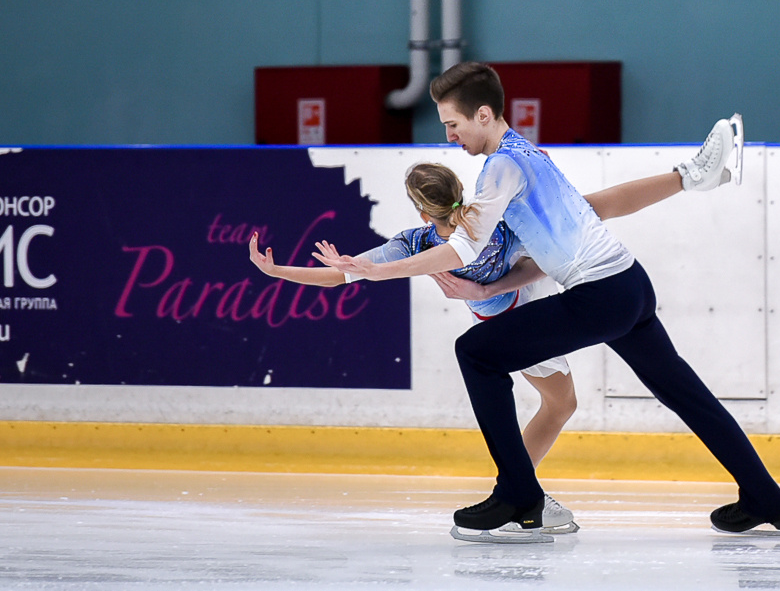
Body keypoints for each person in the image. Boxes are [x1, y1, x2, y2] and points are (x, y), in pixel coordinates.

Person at [313, 61, 780, 539]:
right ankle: (767, 499)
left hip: (601, 296)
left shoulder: (501, 167)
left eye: (453, 124)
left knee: (476, 353)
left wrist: (378, 271)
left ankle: (519, 496)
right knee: (685, 395)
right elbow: (596, 208)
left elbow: (464, 247)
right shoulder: (530, 154)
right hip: (629, 284)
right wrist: (685, 178)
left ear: (484, 115)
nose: (450, 137)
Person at [250, 159, 703, 533]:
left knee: (561, 405)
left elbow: (344, 275)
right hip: (528, 314)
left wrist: (277, 272)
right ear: (460, 193)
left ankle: (518, 491)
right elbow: (550, 254)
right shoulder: (497, 223)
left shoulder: (415, 242)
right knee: (561, 405)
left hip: (510, 318)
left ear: (423, 213)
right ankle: (519, 495)